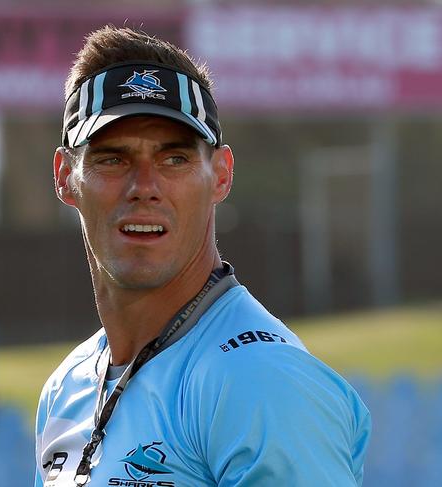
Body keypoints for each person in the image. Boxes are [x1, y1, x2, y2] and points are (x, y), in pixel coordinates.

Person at [35, 26, 371, 487]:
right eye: (113, 159)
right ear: (65, 176)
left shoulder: (259, 380)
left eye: (174, 159)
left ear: (222, 176)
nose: (144, 187)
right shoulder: (65, 388)